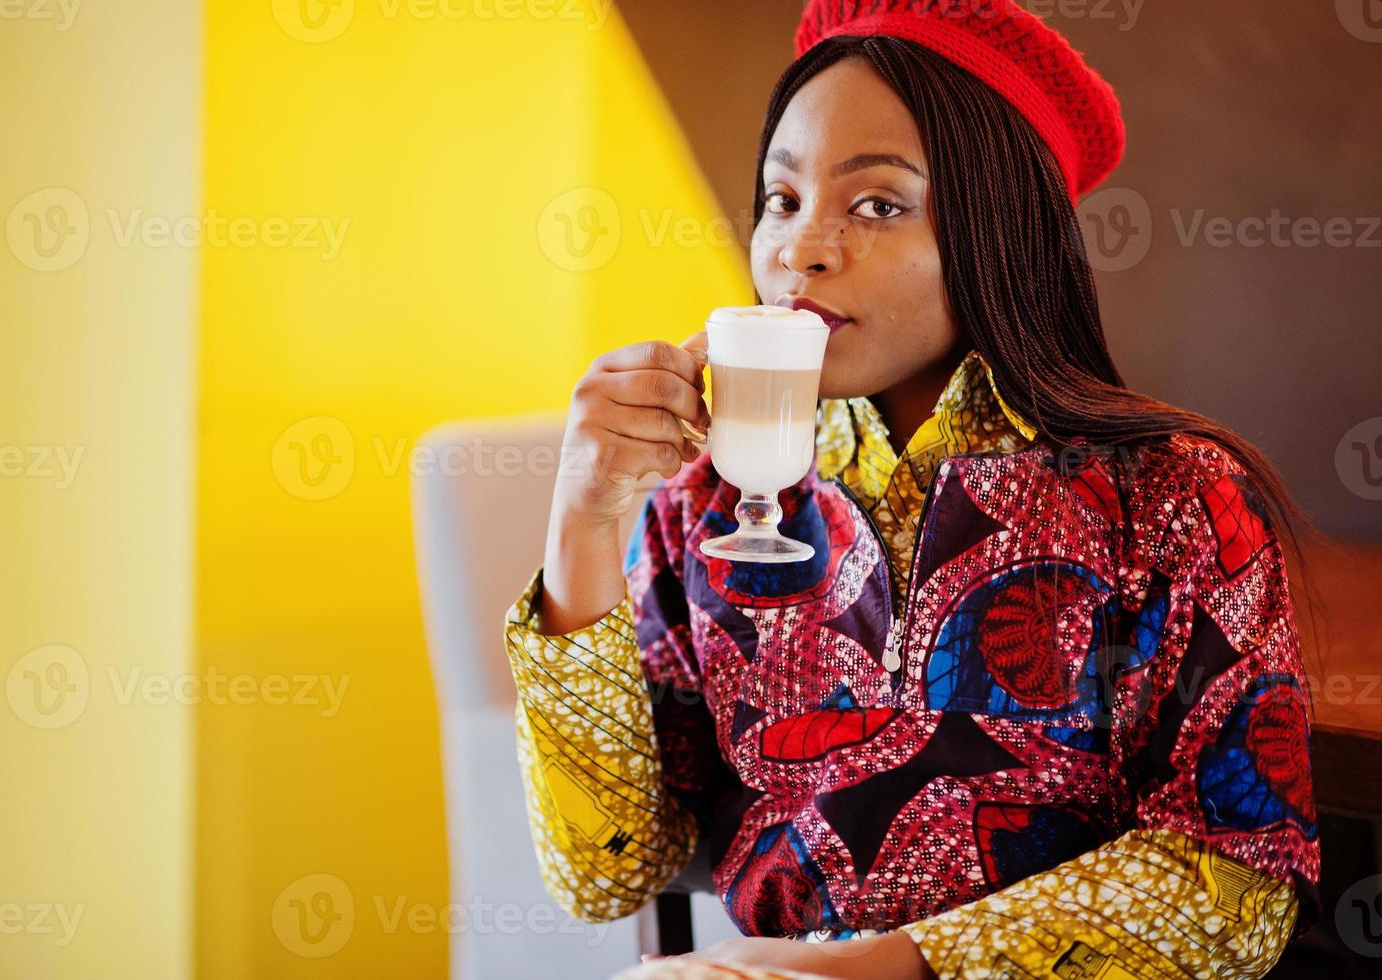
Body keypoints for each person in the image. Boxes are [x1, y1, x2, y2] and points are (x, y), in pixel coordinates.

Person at [503, 1, 1322, 976]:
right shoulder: (700, 506)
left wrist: (878, 965)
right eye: (782, 197)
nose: (800, 248)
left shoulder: (1171, 499)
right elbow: (605, 870)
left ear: (999, 234)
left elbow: (1234, 883)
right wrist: (585, 520)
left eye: (877, 204)